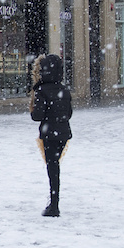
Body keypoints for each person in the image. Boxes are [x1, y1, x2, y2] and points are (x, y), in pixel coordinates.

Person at [30, 54, 72, 217]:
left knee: (52, 167)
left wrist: (34, 110)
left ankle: (54, 204)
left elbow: (38, 116)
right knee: (55, 165)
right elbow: (68, 113)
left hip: (49, 134)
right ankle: (54, 202)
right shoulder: (64, 89)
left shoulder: (41, 90)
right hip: (63, 133)